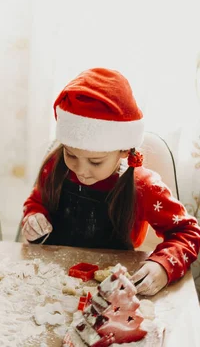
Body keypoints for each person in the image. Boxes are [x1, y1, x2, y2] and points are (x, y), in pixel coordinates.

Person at [22, 68, 200, 296]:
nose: (81, 171)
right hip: (50, 283)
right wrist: (34, 216)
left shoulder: (143, 185)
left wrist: (163, 266)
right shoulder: (55, 166)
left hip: (110, 291)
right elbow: (36, 201)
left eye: (95, 162)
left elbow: (187, 232)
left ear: (124, 151)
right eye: (72, 155)